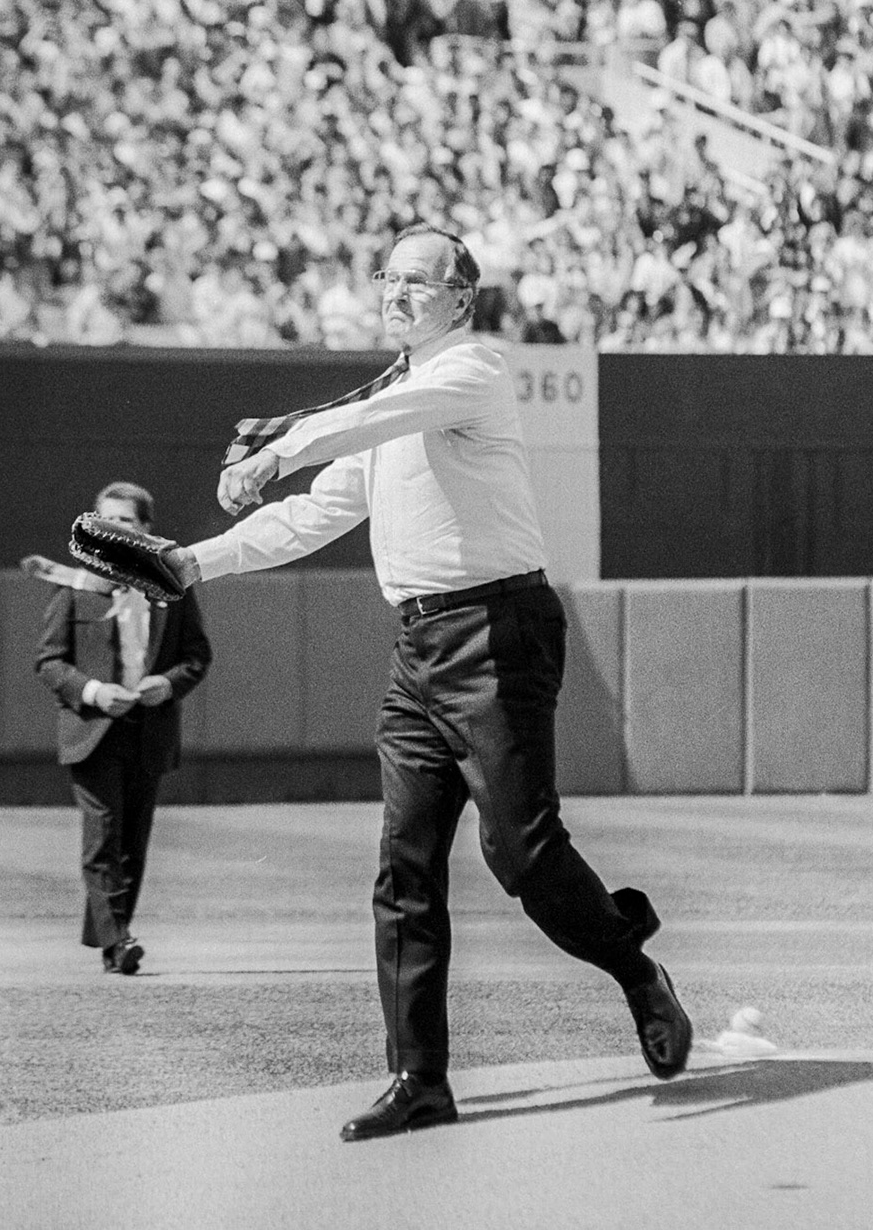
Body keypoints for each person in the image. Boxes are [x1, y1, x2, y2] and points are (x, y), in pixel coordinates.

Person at [162, 223, 692, 1140]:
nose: (398, 292)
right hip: (418, 649)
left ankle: (635, 965)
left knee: (522, 856)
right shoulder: (393, 403)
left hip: (497, 632)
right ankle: (420, 1079)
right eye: (388, 277)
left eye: (419, 279)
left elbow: (371, 421)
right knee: (403, 868)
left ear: (461, 298)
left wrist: (279, 445)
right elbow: (311, 520)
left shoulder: (473, 369)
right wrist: (193, 563)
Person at [35, 481, 212, 975]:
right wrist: (93, 691)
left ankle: (114, 941)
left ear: (146, 531)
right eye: (106, 519)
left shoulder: (172, 586)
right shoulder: (75, 586)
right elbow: (50, 662)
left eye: (126, 521)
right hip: (93, 728)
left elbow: (197, 656)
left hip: (149, 728)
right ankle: (120, 941)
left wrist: (168, 683)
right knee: (103, 838)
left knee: (133, 840)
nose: (115, 529)